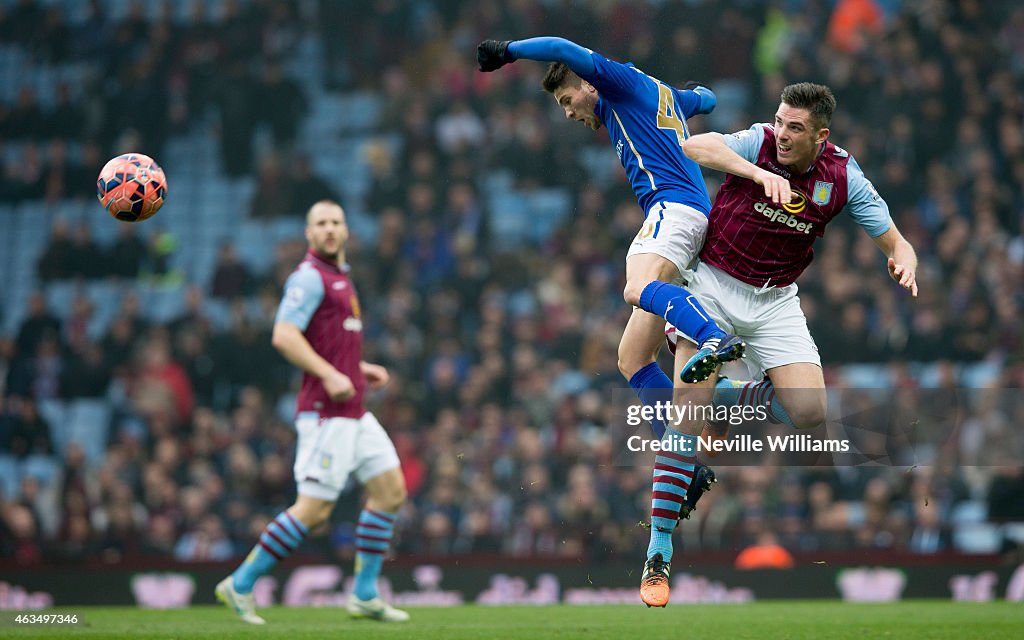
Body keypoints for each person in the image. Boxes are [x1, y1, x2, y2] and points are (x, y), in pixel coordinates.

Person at [477, 38, 749, 580]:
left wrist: (507, 51)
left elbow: (561, 46)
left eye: (565, 101)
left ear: (585, 85)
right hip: (689, 215)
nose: (570, 113)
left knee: (633, 286)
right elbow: (708, 99)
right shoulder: (653, 94)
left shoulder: (619, 82)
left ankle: (713, 339)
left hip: (674, 210)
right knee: (630, 356)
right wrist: (691, 95)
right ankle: (686, 466)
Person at [643, 82, 919, 606]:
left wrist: (904, 259)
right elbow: (693, 146)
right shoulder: (759, 142)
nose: (783, 134)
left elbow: (896, 239)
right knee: (686, 412)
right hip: (713, 284)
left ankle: (725, 395)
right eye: (780, 122)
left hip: (774, 302)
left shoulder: (842, 179)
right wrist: (755, 171)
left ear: (822, 135)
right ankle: (659, 553)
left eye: (795, 128)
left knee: (811, 412)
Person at [216, 201, 409, 624]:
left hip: (354, 411)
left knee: (391, 490)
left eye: (336, 222)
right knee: (315, 509)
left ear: (346, 230)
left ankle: (363, 593)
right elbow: (284, 336)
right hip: (326, 414)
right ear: (308, 233)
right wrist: (329, 375)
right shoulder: (308, 278)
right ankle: (241, 583)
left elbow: (328, 344)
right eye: (320, 223)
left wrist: (357, 370)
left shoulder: (340, 277)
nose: (329, 229)